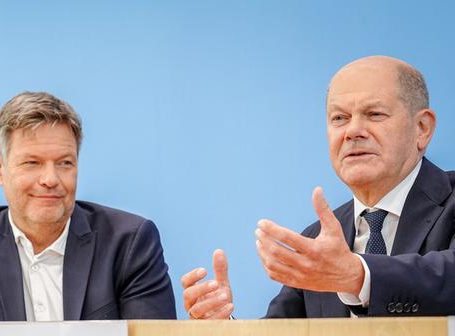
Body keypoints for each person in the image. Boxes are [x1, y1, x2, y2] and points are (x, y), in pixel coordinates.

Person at [182, 55, 455, 319]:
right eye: (339, 118)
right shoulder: (319, 241)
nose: (353, 131)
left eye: (374, 114)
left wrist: (358, 275)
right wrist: (222, 328)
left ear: (422, 128)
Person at [0, 91, 176, 322]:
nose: (50, 179)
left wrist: (203, 328)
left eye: (64, 163)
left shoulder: (129, 242)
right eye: (32, 163)